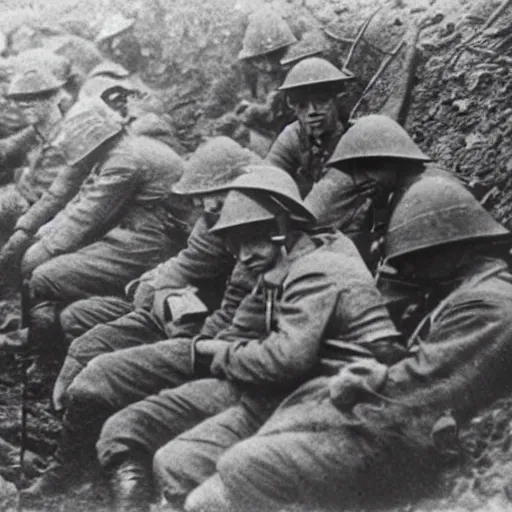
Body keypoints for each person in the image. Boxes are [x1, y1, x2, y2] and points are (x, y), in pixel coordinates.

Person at [21, 167, 401, 512]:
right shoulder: (271, 262)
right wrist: (199, 349)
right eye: (234, 244)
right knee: (125, 426)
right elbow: (240, 329)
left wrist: (212, 353)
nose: (242, 254)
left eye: (250, 240)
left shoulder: (320, 267)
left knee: (176, 463)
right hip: (259, 387)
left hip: (307, 400)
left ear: (282, 226)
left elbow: (286, 359)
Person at [184, 175, 512, 512]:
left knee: (247, 464)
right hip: (398, 427)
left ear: (453, 248)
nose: (410, 267)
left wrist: (364, 385)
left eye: (419, 255)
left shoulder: (489, 306)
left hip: (410, 444)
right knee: (212, 490)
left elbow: (427, 385)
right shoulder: (468, 294)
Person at [50, 136, 261, 410]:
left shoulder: (268, 231)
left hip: (224, 342)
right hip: (191, 315)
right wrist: (171, 306)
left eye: (217, 195)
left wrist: (183, 334)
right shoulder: (212, 223)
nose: (207, 206)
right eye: (201, 197)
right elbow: (180, 272)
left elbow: (239, 315)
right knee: (87, 343)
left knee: (113, 372)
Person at [0, 100, 189, 372]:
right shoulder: (116, 149)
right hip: (132, 231)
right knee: (39, 263)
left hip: (152, 243)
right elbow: (64, 190)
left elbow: (87, 216)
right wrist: (27, 229)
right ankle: (39, 343)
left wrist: (37, 252)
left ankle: (46, 357)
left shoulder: (125, 160)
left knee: (44, 274)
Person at [265, 56, 354, 197]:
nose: (312, 111)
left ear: (339, 100)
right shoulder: (292, 137)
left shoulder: (355, 134)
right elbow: (267, 180)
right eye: (302, 105)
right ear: (292, 106)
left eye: (321, 101)